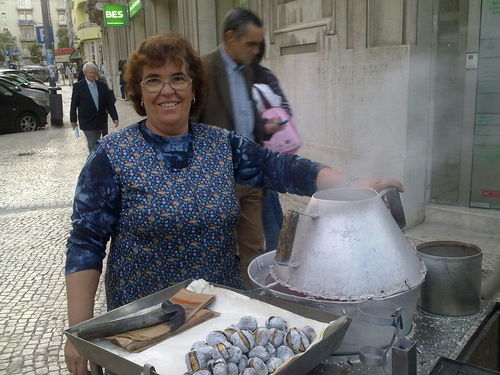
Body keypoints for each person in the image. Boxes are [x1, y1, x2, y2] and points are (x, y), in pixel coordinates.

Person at [64, 31, 403, 374]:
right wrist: (78, 332)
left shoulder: (221, 145)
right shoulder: (112, 155)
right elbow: (85, 244)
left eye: (178, 78)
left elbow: (282, 168)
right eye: (154, 80)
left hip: (217, 321)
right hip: (143, 330)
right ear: (139, 92)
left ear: (194, 89)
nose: (168, 90)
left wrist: (349, 185)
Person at [193, 8, 269, 286]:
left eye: (258, 43)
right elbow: (191, 124)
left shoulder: (248, 70)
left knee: (254, 248)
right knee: (216, 252)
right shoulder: (202, 69)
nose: (256, 50)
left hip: (250, 176)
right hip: (217, 179)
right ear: (230, 37)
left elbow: (244, 115)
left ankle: (254, 304)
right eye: (250, 43)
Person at [252, 40, 293, 252]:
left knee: (268, 211)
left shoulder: (247, 79)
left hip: (258, 155)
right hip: (271, 153)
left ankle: (276, 262)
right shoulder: (265, 75)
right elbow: (287, 110)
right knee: (272, 205)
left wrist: (266, 125)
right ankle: (282, 254)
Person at [70, 62, 119, 152]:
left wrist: (115, 118)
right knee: (92, 143)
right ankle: (92, 164)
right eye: (90, 72)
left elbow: (109, 103)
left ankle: (95, 161)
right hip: (87, 121)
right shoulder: (78, 87)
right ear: (85, 73)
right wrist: (73, 120)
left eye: (94, 72)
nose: (92, 75)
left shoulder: (102, 86)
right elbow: (73, 104)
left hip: (100, 120)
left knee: (97, 142)